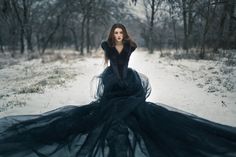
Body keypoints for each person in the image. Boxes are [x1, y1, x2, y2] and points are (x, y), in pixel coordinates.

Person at [0, 23, 236, 157]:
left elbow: (127, 58)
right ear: (112, 35)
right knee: (109, 113)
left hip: (128, 82)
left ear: (124, 34)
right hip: (113, 81)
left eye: (121, 33)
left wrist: (124, 76)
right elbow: (112, 60)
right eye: (116, 33)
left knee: (136, 113)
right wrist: (115, 75)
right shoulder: (107, 46)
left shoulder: (131, 46)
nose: (119, 35)